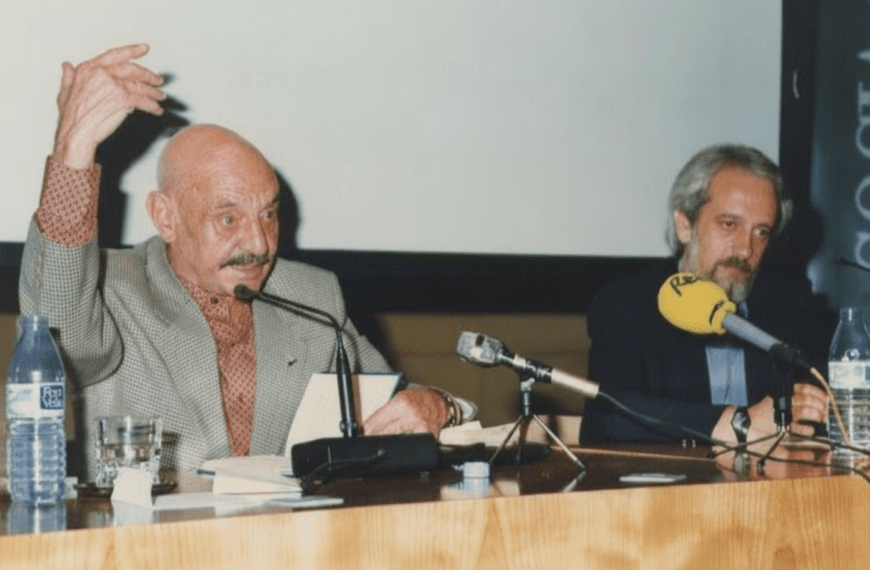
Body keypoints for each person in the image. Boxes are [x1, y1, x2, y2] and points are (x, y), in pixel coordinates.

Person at [19, 44, 472, 476]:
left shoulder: (312, 298)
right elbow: (56, 332)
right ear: (166, 218)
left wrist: (439, 404)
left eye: (269, 215)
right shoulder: (108, 290)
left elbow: (395, 406)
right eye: (229, 218)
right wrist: (73, 151)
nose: (259, 242)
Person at [580, 144, 831, 447]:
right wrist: (735, 422)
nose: (745, 250)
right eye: (729, 224)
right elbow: (604, 420)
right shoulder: (626, 304)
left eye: (761, 232)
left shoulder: (790, 307)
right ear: (685, 225)